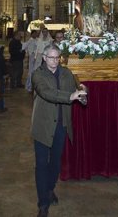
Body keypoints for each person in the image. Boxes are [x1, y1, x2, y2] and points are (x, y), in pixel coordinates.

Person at [31, 44, 87, 217]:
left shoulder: (66, 73)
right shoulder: (38, 74)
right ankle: (43, 203)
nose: (54, 61)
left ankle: (49, 189)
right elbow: (46, 92)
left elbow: (75, 92)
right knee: (41, 165)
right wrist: (69, 96)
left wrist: (82, 95)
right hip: (43, 125)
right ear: (44, 58)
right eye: (51, 58)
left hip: (61, 125)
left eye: (57, 58)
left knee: (55, 163)